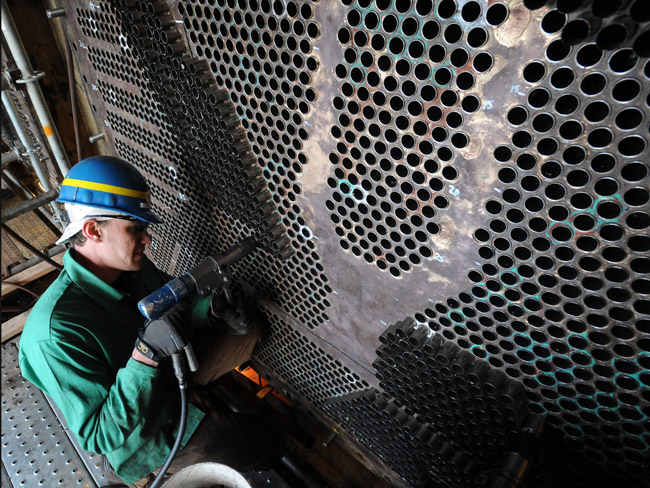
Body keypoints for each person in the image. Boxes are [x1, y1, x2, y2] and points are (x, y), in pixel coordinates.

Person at [18, 156, 284, 487]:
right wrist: (144, 355)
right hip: (141, 435)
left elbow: (179, 306)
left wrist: (213, 309)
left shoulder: (131, 267)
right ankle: (149, 470)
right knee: (267, 443)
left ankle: (202, 398)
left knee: (250, 329)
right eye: (136, 228)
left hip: (171, 374)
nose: (147, 239)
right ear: (92, 230)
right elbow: (98, 434)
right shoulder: (53, 335)